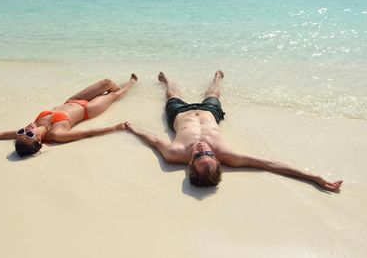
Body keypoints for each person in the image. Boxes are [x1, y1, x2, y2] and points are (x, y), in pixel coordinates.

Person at [124, 71, 342, 191]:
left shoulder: (175, 154)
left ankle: (168, 82)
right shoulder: (227, 155)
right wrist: (313, 177)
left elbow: (153, 140)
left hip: (180, 114)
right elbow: (270, 164)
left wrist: (134, 129)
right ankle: (216, 79)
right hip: (209, 113)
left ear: (190, 163)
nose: (203, 149)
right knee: (214, 94)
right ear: (217, 160)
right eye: (207, 154)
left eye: (199, 155)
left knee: (172, 95)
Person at [0, 74, 138, 157]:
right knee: (112, 96)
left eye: (22, 131)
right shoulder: (56, 134)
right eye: (29, 134)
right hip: (88, 110)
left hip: (73, 99)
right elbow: (87, 132)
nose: (26, 130)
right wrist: (115, 127)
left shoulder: (33, 128)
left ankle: (120, 87)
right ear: (39, 142)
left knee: (107, 82)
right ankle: (130, 85)